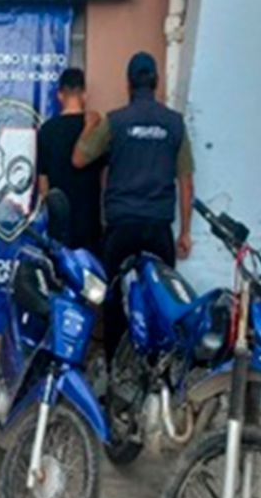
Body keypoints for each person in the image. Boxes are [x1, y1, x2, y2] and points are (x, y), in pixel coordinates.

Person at [74, 51, 195, 363]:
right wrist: (185, 232)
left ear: (128, 84)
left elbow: (80, 158)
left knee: (115, 299)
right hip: (158, 228)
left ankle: (116, 368)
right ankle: (157, 370)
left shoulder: (115, 122)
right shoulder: (174, 124)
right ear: (157, 82)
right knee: (162, 300)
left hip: (122, 227)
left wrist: (90, 125)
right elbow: (186, 182)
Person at [37, 67, 106, 252]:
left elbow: (42, 182)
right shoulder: (95, 127)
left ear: (60, 95)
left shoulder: (47, 130)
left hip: (59, 224)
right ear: (84, 95)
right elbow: (105, 176)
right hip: (89, 221)